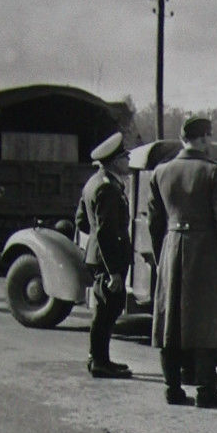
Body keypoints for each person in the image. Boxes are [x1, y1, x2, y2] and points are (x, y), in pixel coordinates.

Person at [148, 117, 217, 408]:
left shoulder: (160, 172)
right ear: (203, 139)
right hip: (206, 252)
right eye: (209, 138)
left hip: (171, 248)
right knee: (205, 319)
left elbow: (154, 222)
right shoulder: (214, 172)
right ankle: (206, 390)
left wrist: (161, 255)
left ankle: (171, 388)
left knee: (170, 320)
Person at [75, 132, 133, 379]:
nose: (129, 160)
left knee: (106, 309)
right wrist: (113, 271)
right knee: (106, 311)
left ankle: (100, 358)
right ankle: (99, 361)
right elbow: (106, 231)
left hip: (99, 256)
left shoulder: (94, 182)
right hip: (108, 260)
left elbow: (81, 221)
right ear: (115, 160)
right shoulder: (107, 188)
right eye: (125, 157)